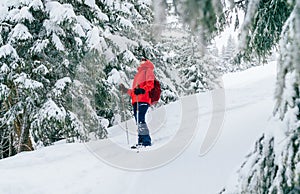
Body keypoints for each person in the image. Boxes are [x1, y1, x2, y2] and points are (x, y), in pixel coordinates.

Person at [119, 58, 155, 147]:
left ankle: (146, 141)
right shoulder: (138, 74)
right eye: (141, 61)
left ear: (147, 62)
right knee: (138, 121)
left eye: (143, 60)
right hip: (136, 101)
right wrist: (126, 90)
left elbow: (150, 84)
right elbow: (135, 91)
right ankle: (141, 141)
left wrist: (142, 90)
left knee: (140, 119)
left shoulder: (148, 70)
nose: (141, 62)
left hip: (143, 99)